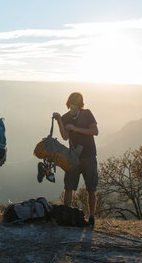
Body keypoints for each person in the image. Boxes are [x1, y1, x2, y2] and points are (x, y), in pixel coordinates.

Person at [53, 92, 99, 227]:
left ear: (80, 105)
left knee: (91, 188)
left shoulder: (87, 113)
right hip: (74, 158)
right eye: (71, 104)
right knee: (69, 187)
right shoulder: (66, 117)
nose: (72, 107)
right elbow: (65, 137)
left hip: (89, 156)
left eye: (75, 105)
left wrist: (75, 129)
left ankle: (91, 216)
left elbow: (95, 131)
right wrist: (59, 121)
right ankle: (66, 215)